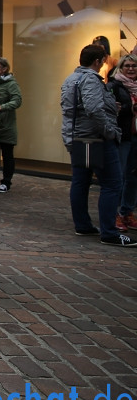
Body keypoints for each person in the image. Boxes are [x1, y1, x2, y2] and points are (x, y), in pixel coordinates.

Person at [61, 43, 130, 247]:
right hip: (95, 139)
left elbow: (75, 107)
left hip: (78, 138)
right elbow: (92, 109)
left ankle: (83, 225)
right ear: (97, 61)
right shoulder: (90, 79)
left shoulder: (71, 78)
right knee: (112, 183)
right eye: (103, 61)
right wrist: (110, 130)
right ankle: (109, 232)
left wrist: (109, 106)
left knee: (81, 181)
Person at [110, 54, 137, 231]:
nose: (131, 69)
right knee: (118, 177)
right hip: (123, 137)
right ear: (121, 67)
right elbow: (110, 109)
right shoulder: (114, 86)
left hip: (136, 137)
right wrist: (129, 107)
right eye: (127, 65)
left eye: (134, 66)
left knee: (133, 176)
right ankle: (115, 215)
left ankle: (127, 212)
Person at [0, 56, 22, 193]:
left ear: (4, 69)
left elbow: (17, 100)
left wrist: (2, 107)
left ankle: (6, 181)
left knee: (7, 154)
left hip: (6, 125)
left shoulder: (11, 83)